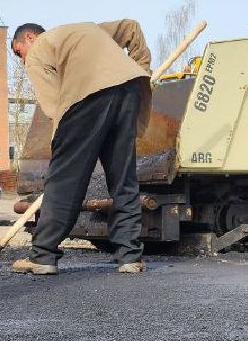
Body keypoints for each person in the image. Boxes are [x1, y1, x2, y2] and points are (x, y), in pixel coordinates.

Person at [10, 20, 152, 275]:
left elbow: (54, 104)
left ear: (29, 37)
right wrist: (142, 69)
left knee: (64, 179)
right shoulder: (86, 29)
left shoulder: (38, 50)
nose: (22, 61)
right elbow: (131, 27)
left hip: (87, 96)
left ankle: (43, 256)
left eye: (19, 53)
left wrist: (61, 148)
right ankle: (130, 257)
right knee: (123, 178)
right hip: (130, 88)